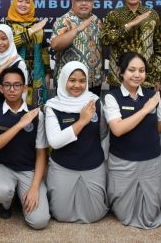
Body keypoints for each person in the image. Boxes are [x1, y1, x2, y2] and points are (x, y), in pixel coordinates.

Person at [103, 52, 161, 229]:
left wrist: (149, 112)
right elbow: (117, 129)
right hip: (123, 160)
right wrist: (145, 110)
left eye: (141, 70)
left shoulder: (153, 96)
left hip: (150, 160)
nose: (137, 74)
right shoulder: (111, 97)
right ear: (122, 72)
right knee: (123, 214)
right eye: (132, 70)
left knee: (151, 212)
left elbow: (160, 128)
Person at [0, 67, 50, 229]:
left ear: (24, 87)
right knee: (0, 191)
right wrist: (20, 124)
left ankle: (23, 196)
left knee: (39, 222)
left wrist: (35, 188)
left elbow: (41, 154)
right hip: (2, 167)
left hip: (28, 170)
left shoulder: (37, 115)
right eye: (7, 85)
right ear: (0, 88)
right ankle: (6, 204)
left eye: (16, 85)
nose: (12, 89)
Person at [45, 61, 108, 223]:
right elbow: (54, 141)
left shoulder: (95, 102)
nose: (77, 85)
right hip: (62, 165)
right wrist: (82, 121)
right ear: (63, 80)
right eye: (72, 80)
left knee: (96, 214)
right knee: (60, 214)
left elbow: (102, 134)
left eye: (82, 81)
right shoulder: (53, 106)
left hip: (92, 165)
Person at [101, 0, 161, 91]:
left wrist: (157, 76)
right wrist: (128, 25)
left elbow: (159, 49)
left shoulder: (152, 15)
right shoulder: (114, 15)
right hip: (118, 79)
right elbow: (105, 40)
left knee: (148, 109)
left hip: (146, 79)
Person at [50, 0, 104, 95]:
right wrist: (78, 29)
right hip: (69, 84)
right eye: (79, 0)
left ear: (92, 2)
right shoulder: (64, 21)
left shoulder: (96, 20)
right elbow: (55, 45)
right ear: (72, 2)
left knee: (92, 112)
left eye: (87, 0)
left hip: (93, 83)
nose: (84, 3)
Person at [6, 0, 50, 106]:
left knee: (37, 110)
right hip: (14, 71)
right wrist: (30, 32)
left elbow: (44, 50)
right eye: (20, 1)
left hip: (36, 72)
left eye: (27, 2)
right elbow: (7, 46)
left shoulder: (37, 25)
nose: (23, 5)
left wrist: (47, 73)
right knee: (15, 108)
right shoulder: (7, 25)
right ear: (14, 3)